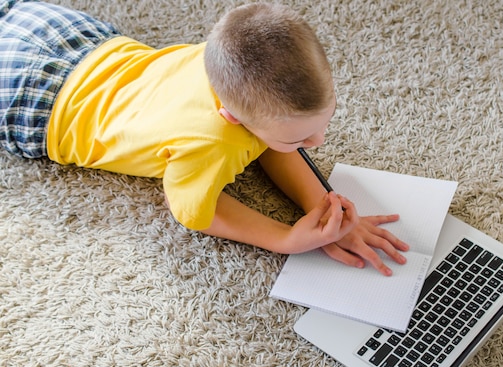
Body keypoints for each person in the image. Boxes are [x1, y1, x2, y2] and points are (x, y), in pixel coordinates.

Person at [0, 0, 409, 275]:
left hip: (68, 35)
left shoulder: (227, 60)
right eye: (299, 138)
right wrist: (285, 238)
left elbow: (267, 139)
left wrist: (323, 208)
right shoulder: (211, 145)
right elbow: (195, 211)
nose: (318, 141)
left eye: (324, 120)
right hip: (34, 104)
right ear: (232, 118)